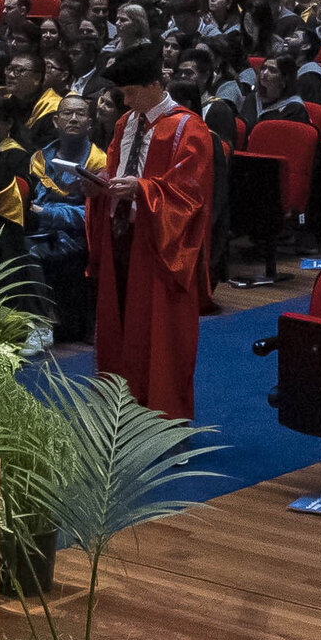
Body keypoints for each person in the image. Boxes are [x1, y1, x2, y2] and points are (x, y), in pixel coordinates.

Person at [89, 42, 214, 423]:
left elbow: (190, 195)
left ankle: (163, 417)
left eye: (130, 93)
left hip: (160, 243)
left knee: (160, 335)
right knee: (121, 324)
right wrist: (100, 185)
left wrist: (141, 190)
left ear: (155, 85)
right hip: (121, 235)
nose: (125, 102)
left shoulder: (189, 128)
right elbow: (117, 171)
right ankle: (121, 412)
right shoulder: (126, 124)